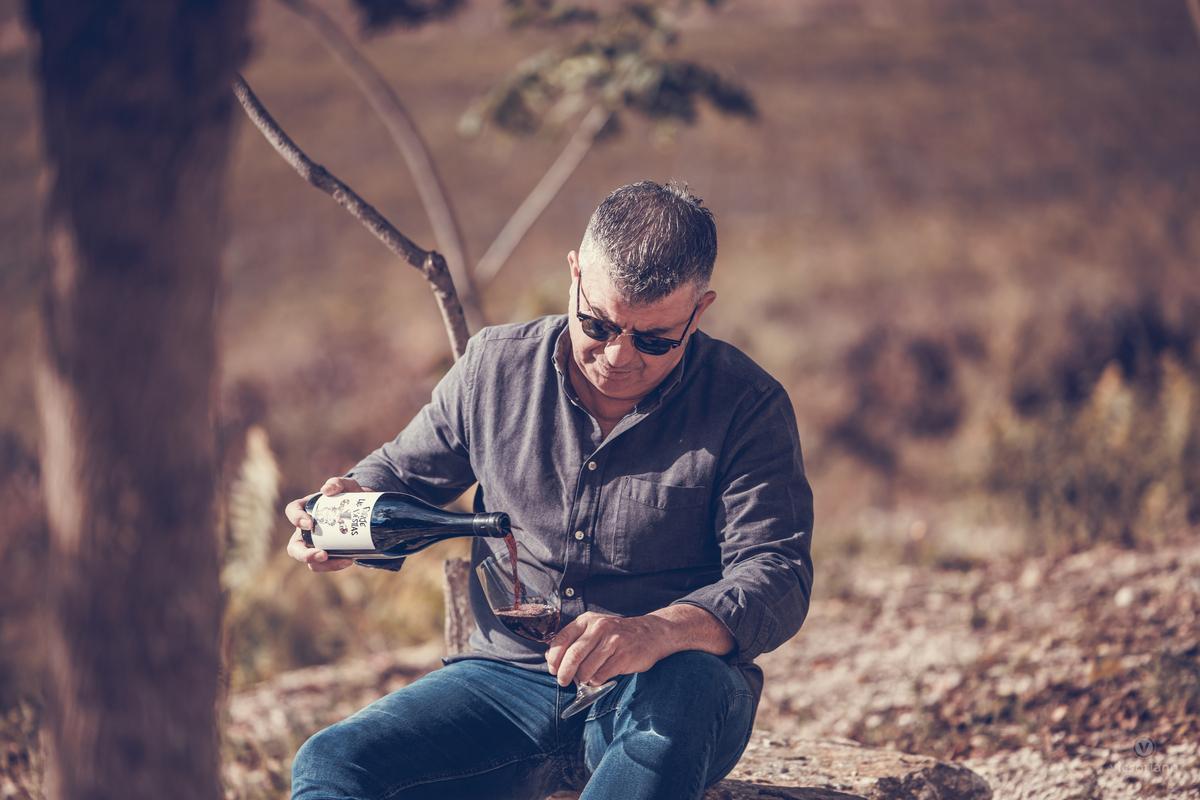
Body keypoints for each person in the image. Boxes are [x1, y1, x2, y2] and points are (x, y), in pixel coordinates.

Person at [284, 181, 814, 800]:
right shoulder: (493, 368)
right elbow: (399, 476)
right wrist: (340, 512)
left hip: (665, 688)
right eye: (598, 324)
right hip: (503, 683)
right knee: (332, 761)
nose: (617, 356)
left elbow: (777, 574)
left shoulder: (747, 405)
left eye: (653, 340)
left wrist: (658, 631)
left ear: (700, 312)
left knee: (685, 697)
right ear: (574, 274)